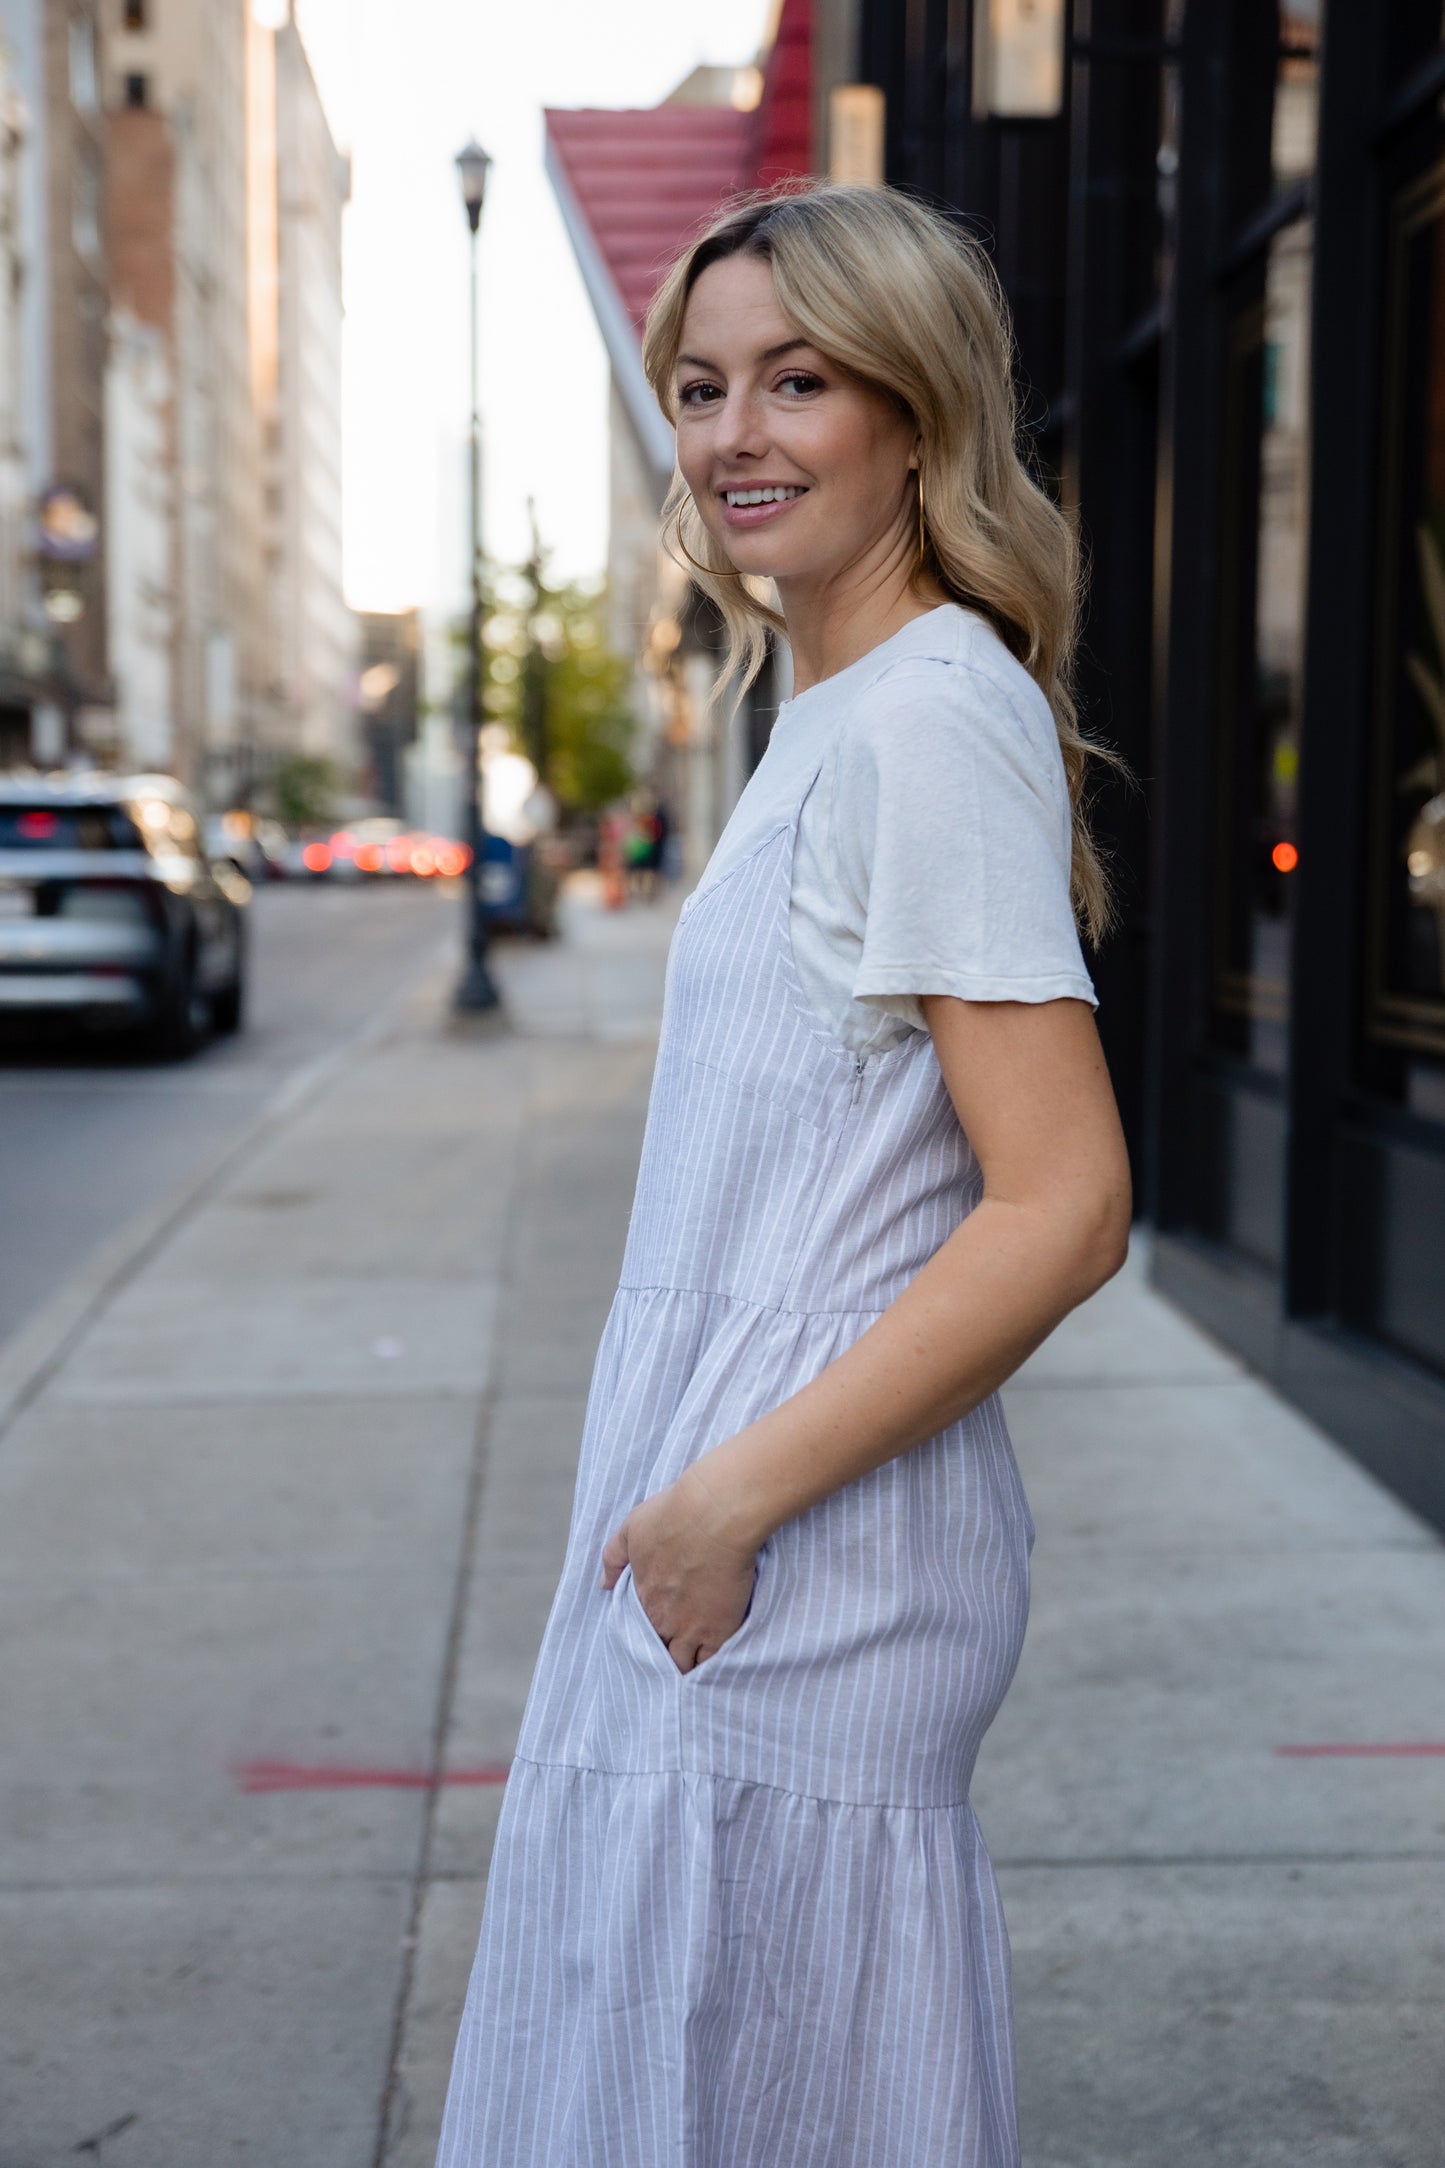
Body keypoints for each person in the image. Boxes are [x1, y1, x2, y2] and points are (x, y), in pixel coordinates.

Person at [435, 182, 1133, 2168]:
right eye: (704, 385)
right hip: (736, 1535)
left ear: (915, 416)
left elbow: (1065, 1201)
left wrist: (724, 1502)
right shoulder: (833, 711)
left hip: (801, 1555)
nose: (736, 434)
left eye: (800, 381)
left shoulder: (927, 721)